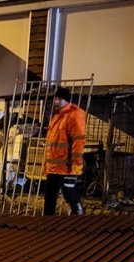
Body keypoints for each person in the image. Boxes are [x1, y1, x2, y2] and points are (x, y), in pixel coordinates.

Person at [43, 86, 87, 215]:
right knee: (49, 194)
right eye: (55, 99)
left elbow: (78, 141)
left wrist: (76, 164)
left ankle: (77, 211)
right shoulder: (58, 115)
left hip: (67, 165)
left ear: (66, 100)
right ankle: (47, 220)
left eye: (58, 99)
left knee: (68, 192)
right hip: (55, 165)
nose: (55, 102)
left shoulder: (74, 115)